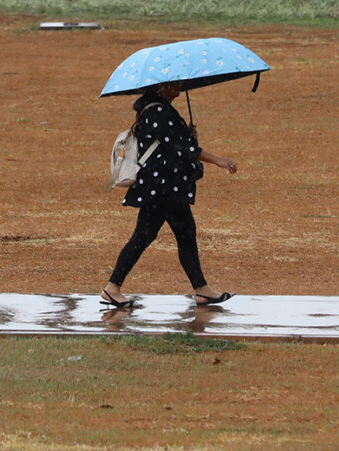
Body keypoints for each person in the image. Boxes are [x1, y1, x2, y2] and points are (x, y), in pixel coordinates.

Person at [101, 80, 239, 309]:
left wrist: (189, 134)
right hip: (161, 188)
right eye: (173, 85)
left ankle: (201, 289)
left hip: (166, 187)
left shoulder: (161, 110)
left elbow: (177, 143)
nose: (179, 88)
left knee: (180, 234)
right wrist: (218, 160)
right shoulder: (158, 113)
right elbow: (181, 148)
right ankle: (112, 287)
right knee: (150, 237)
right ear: (160, 88)